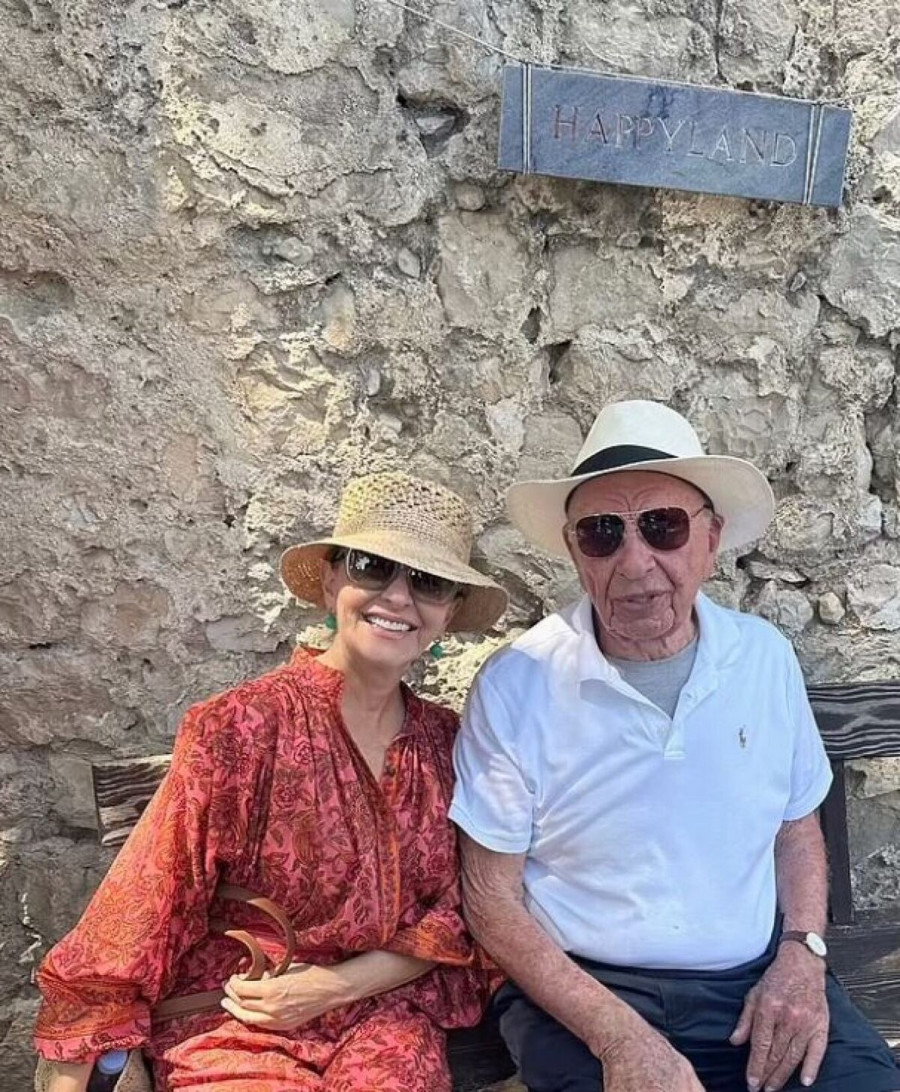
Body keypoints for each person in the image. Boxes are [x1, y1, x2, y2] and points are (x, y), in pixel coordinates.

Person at [450, 400, 900, 1092]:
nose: (635, 563)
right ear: (574, 551)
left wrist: (802, 954)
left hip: (756, 980)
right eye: (602, 533)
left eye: (663, 527)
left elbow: (795, 829)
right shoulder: (519, 682)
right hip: (587, 994)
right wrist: (619, 1036)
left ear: (711, 540)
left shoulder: (762, 658)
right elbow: (492, 899)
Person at [34, 471, 508, 1092]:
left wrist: (336, 986)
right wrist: (81, 1050)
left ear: (449, 611)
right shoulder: (240, 727)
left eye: (428, 581)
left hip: (385, 1019)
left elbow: (453, 915)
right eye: (372, 568)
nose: (398, 597)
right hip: (238, 1015)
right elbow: (149, 896)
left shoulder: (447, 745)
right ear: (333, 581)